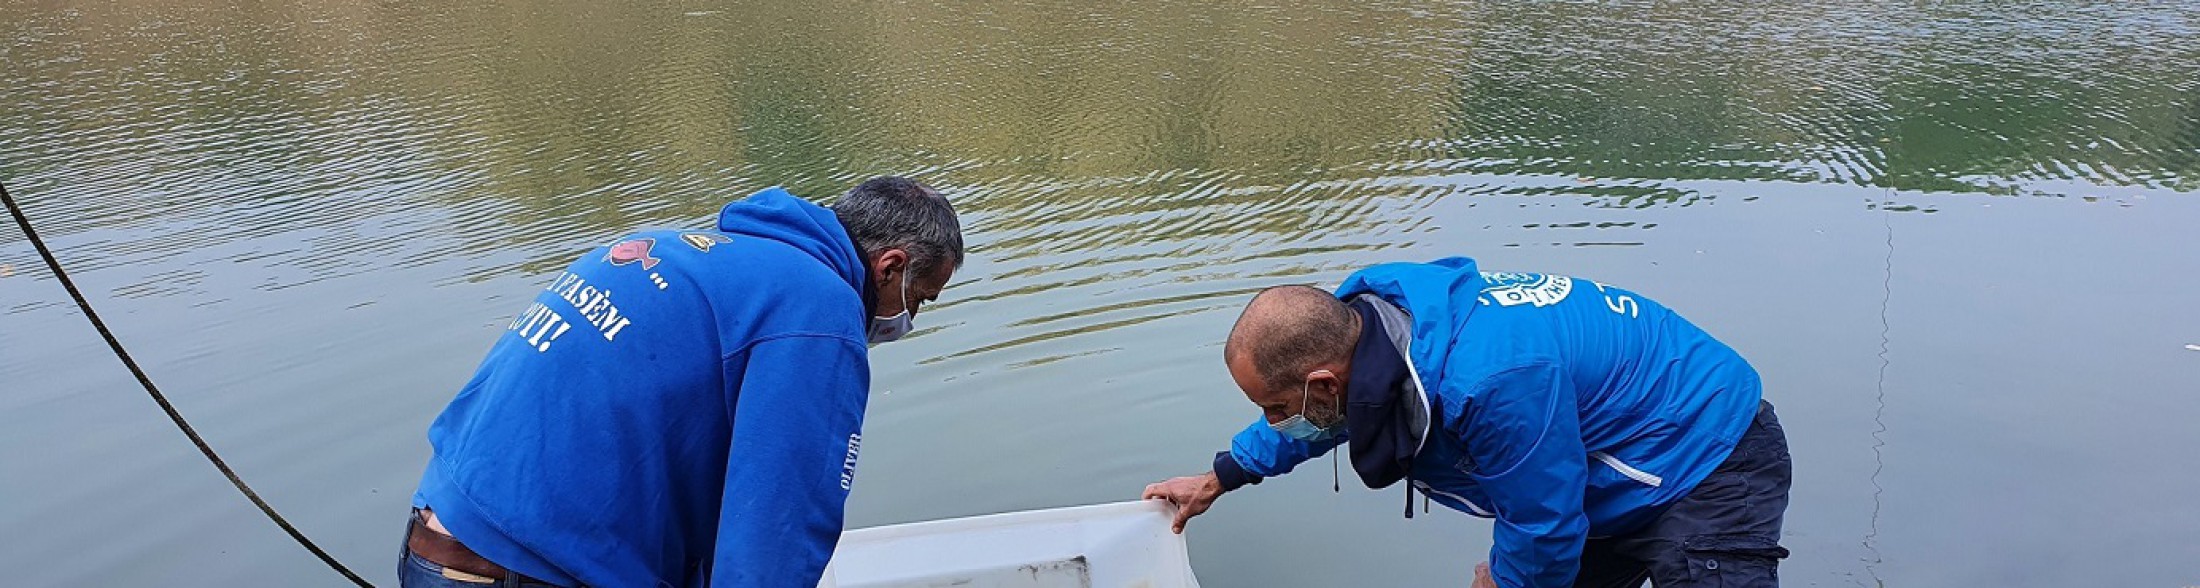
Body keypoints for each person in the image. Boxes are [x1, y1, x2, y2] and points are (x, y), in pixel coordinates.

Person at [400, 177, 964, 587]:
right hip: (528, 568)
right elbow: (779, 530)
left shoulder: (683, 252)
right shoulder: (819, 314)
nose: (908, 316)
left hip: (437, 532)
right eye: (918, 298)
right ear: (890, 266)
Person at [1142, 258, 1791, 588]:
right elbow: (1320, 420)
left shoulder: (1488, 379)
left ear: (1321, 382)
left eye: (1272, 409)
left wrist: (1509, 582)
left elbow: (1544, 523)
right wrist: (1221, 476)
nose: (1272, 420)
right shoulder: (1370, 337)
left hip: (1705, 454)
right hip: (1591, 470)